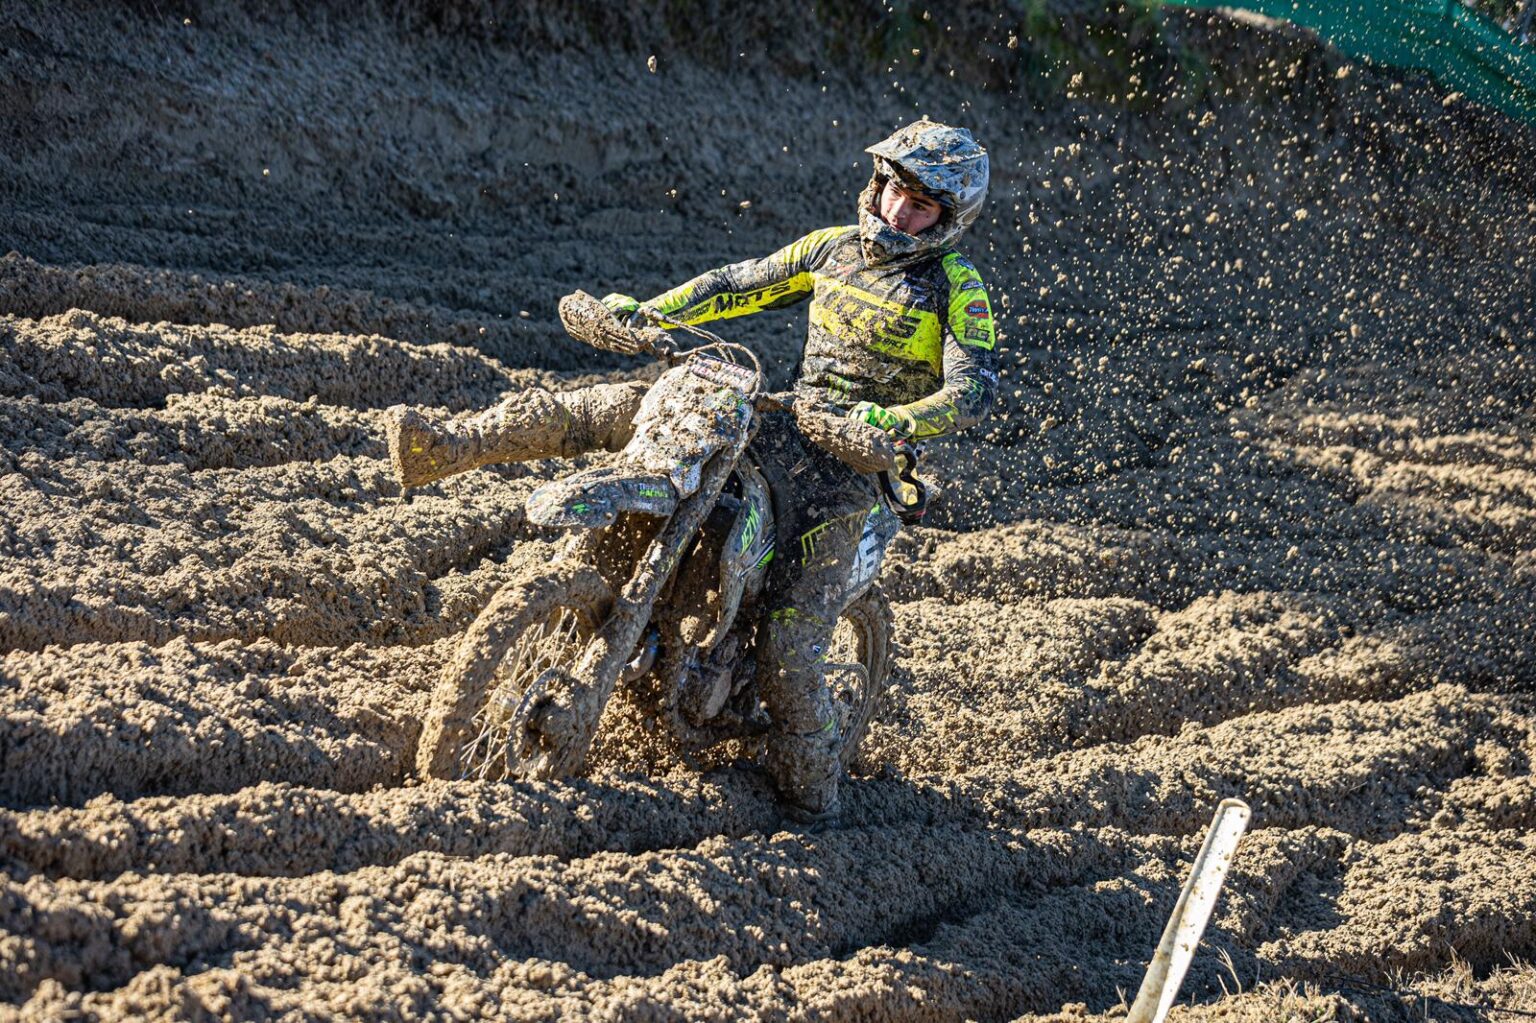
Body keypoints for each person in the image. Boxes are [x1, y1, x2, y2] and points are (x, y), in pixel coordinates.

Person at [389, 119, 999, 823]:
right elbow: (735, 285)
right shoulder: (831, 248)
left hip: (849, 469)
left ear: (947, 219)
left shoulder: (956, 286)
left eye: (919, 205)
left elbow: (973, 389)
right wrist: (648, 314)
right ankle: (450, 445)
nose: (897, 211)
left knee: (789, 649)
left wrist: (899, 421)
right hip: (784, 421)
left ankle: (817, 795)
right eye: (893, 190)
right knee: (632, 406)